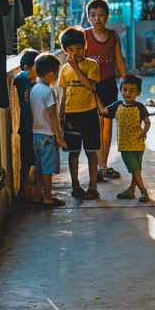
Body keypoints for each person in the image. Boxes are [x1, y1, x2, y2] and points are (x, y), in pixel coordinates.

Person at [84, 0, 128, 182]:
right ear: (88, 17)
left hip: (109, 84)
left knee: (108, 126)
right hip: (92, 87)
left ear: (108, 16)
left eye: (101, 15)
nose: (97, 19)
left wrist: (125, 81)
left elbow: (118, 60)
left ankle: (104, 166)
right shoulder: (84, 37)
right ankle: (99, 167)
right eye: (93, 15)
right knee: (96, 125)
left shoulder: (113, 36)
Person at [58, 26, 101, 200]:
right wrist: (61, 118)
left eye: (78, 48)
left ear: (85, 46)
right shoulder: (64, 69)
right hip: (72, 116)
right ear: (65, 50)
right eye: (70, 50)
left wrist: (75, 67)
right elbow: (64, 94)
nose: (75, 52)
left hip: (89, 113)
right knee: (73, 152)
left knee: (91, 152)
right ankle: (75, 186)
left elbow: (89, 86)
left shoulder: (91, 65)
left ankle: (92, 187)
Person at [96, 74, 151, 202]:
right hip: (125, 146)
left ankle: (131, 190)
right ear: (120, 90)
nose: (128, 93)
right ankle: (143, 191)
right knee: (134, 170)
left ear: (138, 92)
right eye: (125, 90)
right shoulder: (117, 106)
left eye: (132, 91)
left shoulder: (140, 107)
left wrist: (144, 131)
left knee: (136, 169)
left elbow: (147, 122)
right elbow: (103, 111)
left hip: (138, 144)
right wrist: (95, 95)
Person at [29, 53, 67, 207]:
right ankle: (48, 198)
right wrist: (59, 137)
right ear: (51, 74)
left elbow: (32, 113)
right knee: (47, 168)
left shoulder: (34, 89)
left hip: (36, 134)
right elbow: (53, 115)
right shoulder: (49, 92)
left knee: (38, 167)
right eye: (57, 73)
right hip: (49, 136)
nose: (57, 76)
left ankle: (38, 196)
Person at [14, 48, 40, 201]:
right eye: (37, 66)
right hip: (26, 127)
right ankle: (23, 190)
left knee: (34, 159)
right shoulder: (22, 78)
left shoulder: (35, 82)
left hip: (36, 125)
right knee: (26, 161)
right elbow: (20, 77)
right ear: (26, 67)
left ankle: (29, 189)